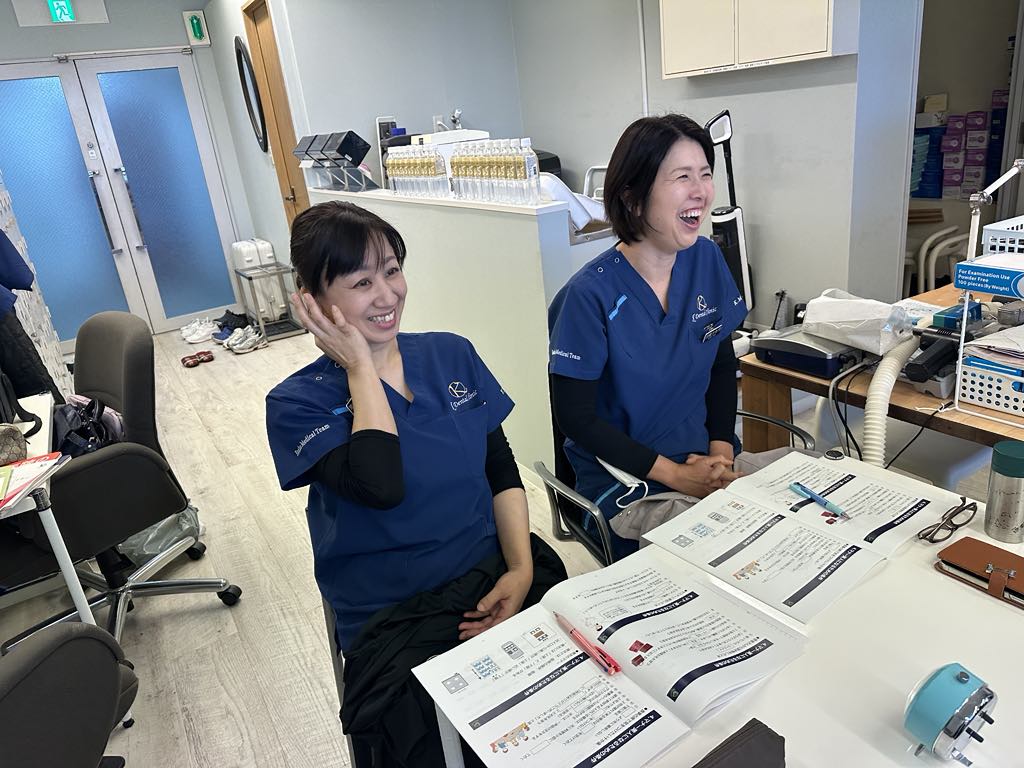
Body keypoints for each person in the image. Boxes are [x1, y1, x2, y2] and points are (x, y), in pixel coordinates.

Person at [265, 201, 565, 764]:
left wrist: (521, 569)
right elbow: (381, 485)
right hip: (395, 617)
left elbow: (500, 468)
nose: (387, 295)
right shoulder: (297, 404)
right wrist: (360, 368)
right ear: (312, 301)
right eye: (361, 282)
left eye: (392, 270)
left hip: (492, 574)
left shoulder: (451, 353)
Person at [548, 114, 749, 560]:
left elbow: (721, 364)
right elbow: (576, 418)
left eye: (705, 174)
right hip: (626, 481)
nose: (701, 191)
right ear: (633, 197)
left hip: (705, 460)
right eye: (682, 177)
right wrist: (677, 477)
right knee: (713, 561)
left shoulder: (706, 260)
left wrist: (720, 452)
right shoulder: (589, 296)